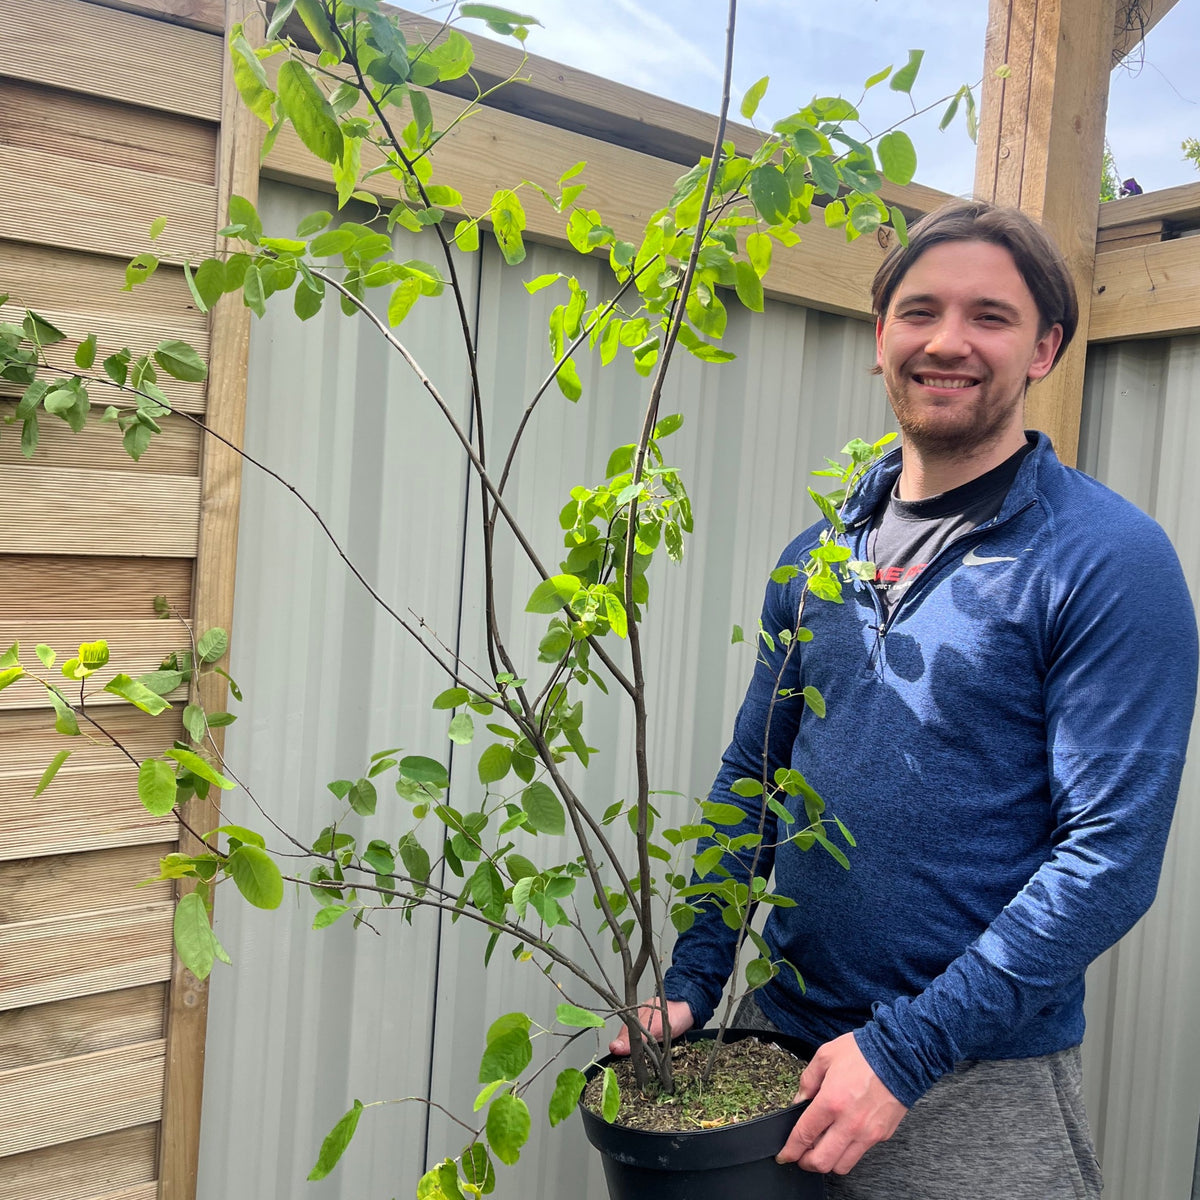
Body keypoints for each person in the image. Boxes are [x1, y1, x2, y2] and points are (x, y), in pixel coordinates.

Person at [610, 201, 1199, 1198]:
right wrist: (692, 982)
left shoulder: (1103, 560)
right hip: (775, 1052)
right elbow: (754, 777)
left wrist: (904, 1050)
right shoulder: (817, 561)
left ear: (1046, 347)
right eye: (920, 311)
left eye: (991, 317)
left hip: (972, 1082)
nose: (948, 341)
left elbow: (1109, 861)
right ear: (880, 337)